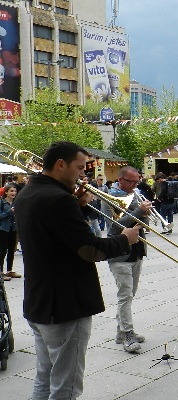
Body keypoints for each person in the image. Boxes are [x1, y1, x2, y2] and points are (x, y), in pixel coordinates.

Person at [13, 141, 141, 400]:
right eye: (80, 168)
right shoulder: (58, 199)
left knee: (44, 377)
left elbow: (56, 234)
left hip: (39, 300)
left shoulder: (29, 192)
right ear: (61, 164)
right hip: (64, 304)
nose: (83, 175)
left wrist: (79, 206)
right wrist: (125, 238)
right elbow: (88, 249)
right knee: (67, 385)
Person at [106, 166, 153, 353]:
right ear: (120, 180)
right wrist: (138, 211)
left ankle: (121, 331)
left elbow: (141, 225)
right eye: (131, 182)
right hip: (120, 253)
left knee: (129, 295)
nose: (135, 185)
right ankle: (128, 333)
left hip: (137, 250)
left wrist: (145, 214)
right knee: (125, 295)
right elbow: (114, 227)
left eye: (137, 182)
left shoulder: (136, 196)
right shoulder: (109, 197)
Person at [0, 183, 19, 281]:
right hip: (3, 229)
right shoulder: (2, 202)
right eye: (11, 191)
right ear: (6, 192)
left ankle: (9, 270)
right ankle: (1, 272)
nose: (14, 193)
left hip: (13, 229)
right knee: (2, 251)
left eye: (15, 191)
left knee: (11, 250)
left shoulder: (17, 203)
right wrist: (9, 212)